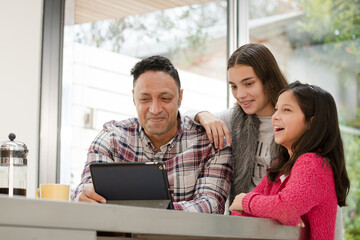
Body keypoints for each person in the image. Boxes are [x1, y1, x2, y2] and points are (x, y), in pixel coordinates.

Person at [186, 43, 344, 238]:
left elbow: (297, 208)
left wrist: (251, 203)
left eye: (248, 83)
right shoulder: (238, 121)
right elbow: (183, 118)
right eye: (234, 86)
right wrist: (204, 115)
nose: (240, 94)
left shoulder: (309, 155)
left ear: (268, 79)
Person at [72, 55, 232, 214]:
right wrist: (83, 196)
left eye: (165, 98)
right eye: (145, 99)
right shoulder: (112, 140)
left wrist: (142, 212)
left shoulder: (210, 142)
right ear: (134, 98)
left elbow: (210, 206)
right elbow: (85, 188)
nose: (155, 109)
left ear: (180, 98)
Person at [229, 81, 350, 239]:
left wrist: (246, 200)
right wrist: (274, 211)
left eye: (286, 110)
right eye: (276, 109)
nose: (275, 117)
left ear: (311, 123)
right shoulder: (279, 169)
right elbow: (238, 214)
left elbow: (285, 209)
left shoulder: (314, 164)